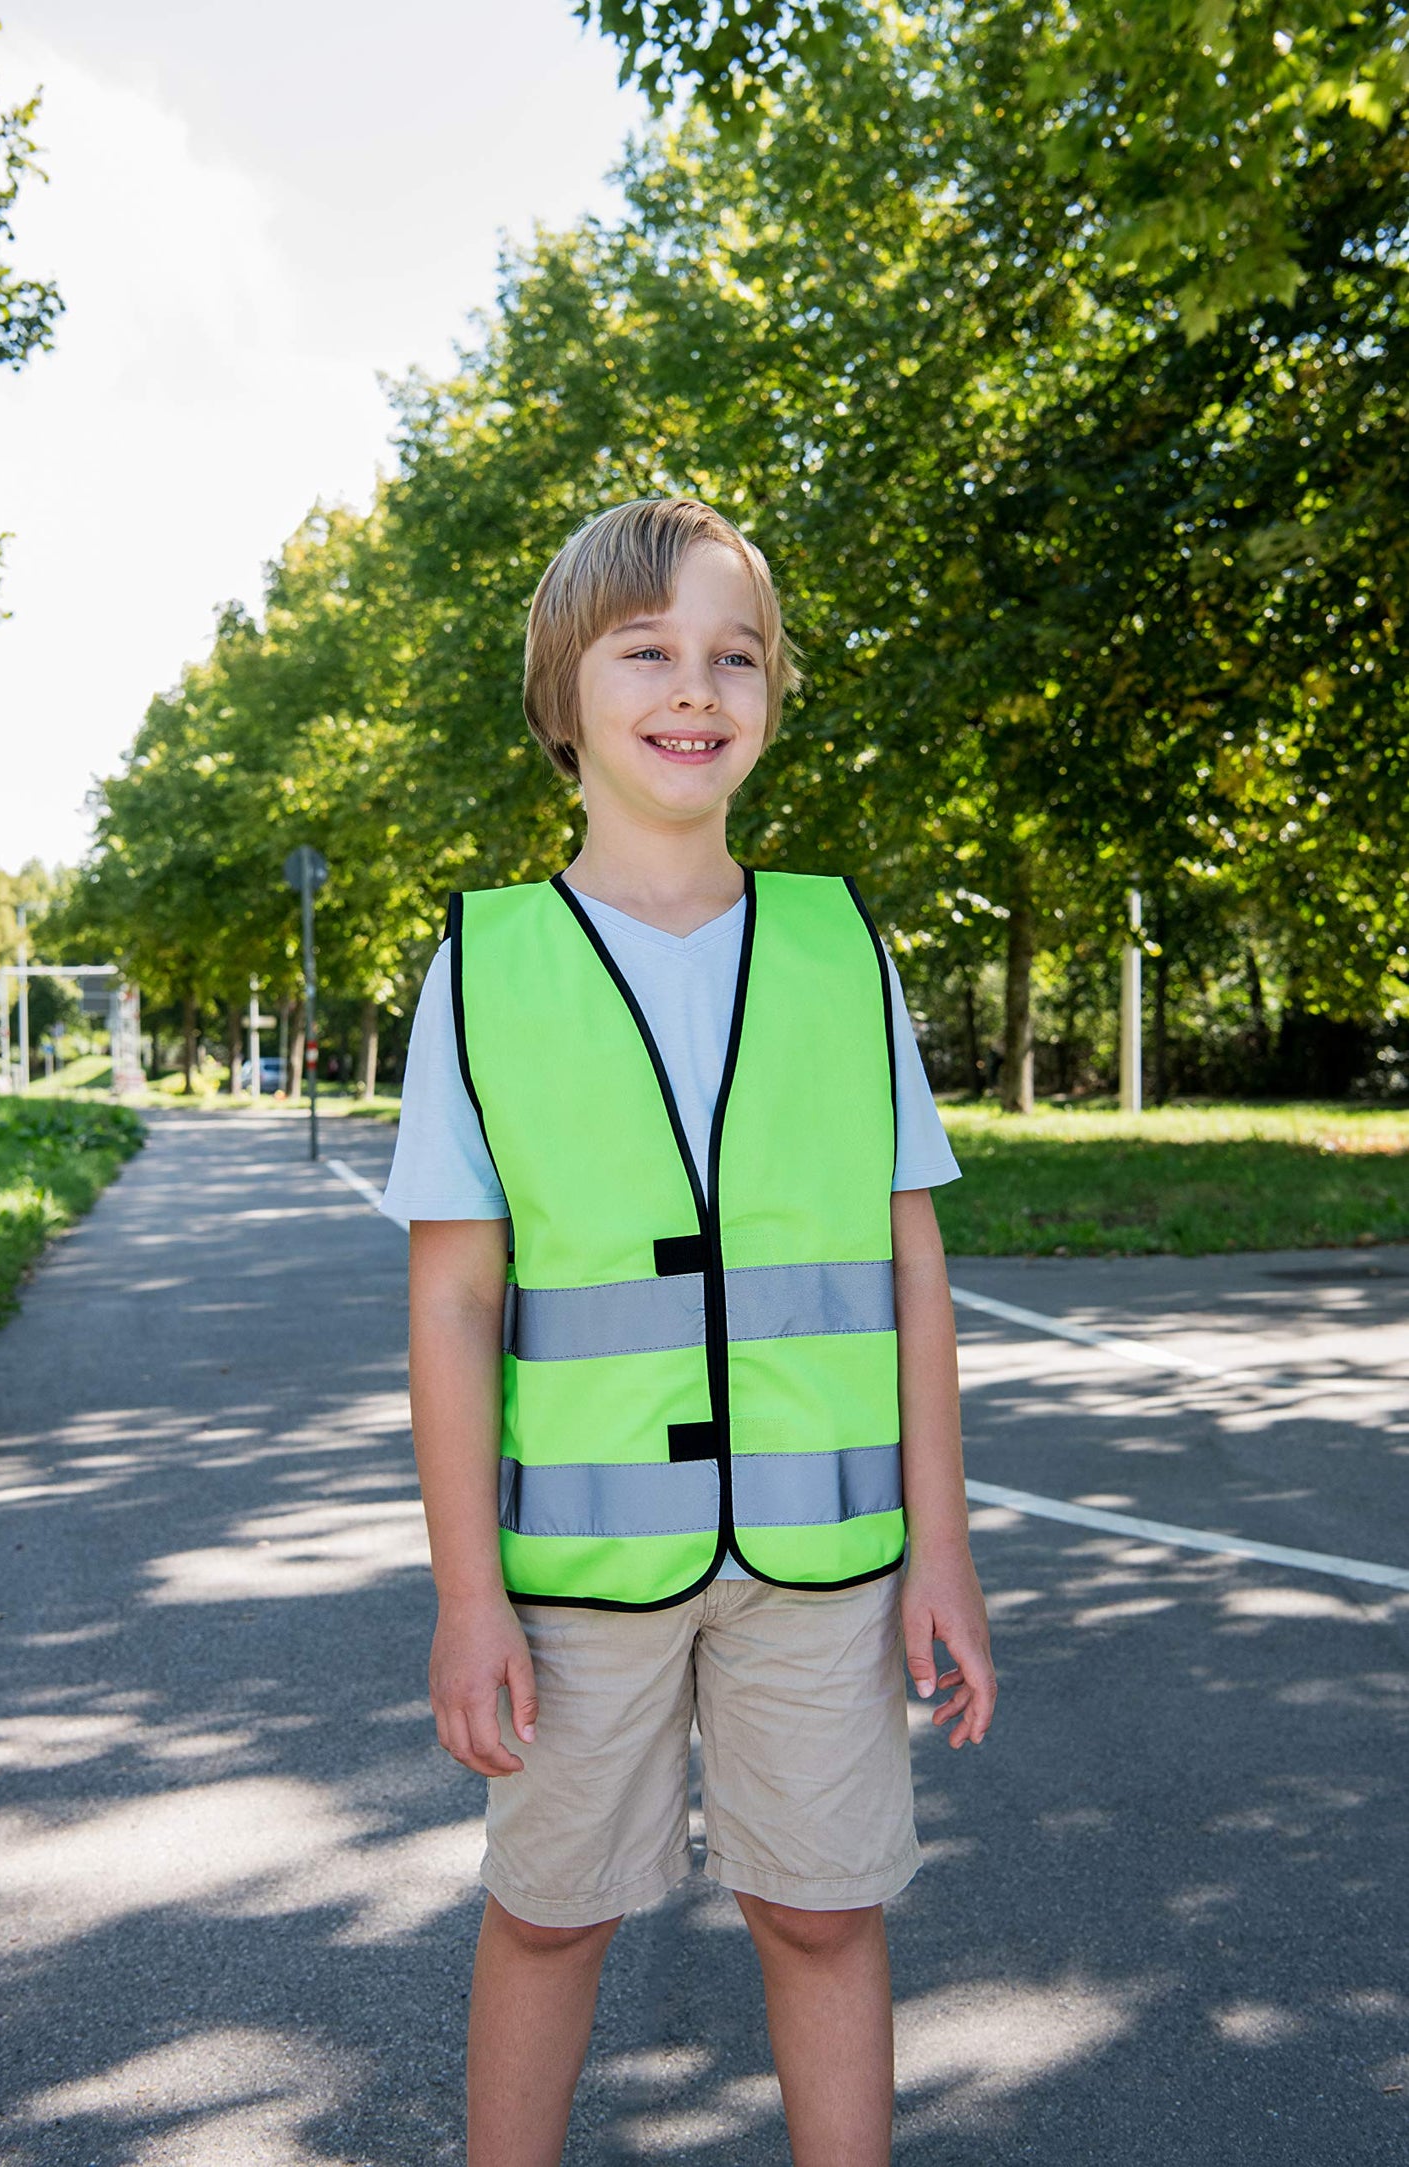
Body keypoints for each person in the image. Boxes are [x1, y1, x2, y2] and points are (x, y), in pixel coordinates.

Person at [380, 495, 996, 2167]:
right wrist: (465, 1596)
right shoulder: (485, 965)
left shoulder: (833, 945)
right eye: (645, 649)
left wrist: (942, 1550)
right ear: (559, 693)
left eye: (734, 655)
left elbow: (911, 1269)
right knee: (553, 1916)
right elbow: (452, 1297)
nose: (692, 685)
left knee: (820, 1914)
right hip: (578, 1578)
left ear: (772, 698)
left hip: (831, 1559)